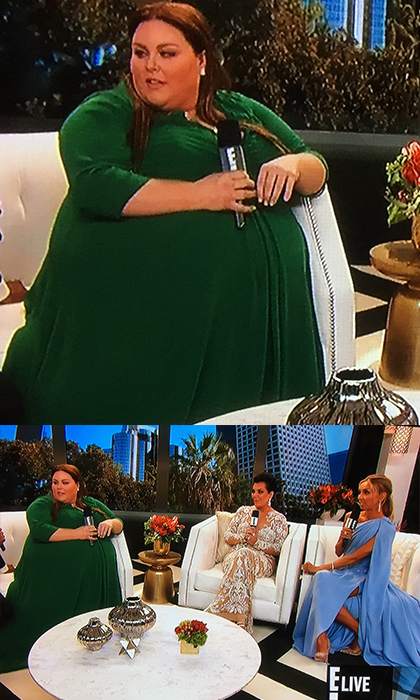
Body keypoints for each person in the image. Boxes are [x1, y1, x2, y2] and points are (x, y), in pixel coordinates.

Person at [2, 2, 327, 424]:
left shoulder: (239, 109)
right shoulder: (107, 111)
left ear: (202, 60)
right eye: (140, 53)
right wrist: (202, 194)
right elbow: (97, 184)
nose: (150, 67)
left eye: (166, 53)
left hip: (258, 303)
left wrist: (293, 166)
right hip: (137, 300)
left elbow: (314, 164)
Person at [0, 465, 123, 673]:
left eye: (64, 483)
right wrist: (79, 533)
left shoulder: (91, 504)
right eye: (55, 483)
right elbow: (40, 530)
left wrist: (110, 523)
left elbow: (119, 522)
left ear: (77, 485)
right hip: (49, 575)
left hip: (95, 576)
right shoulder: (43, 504)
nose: (58, 488)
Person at [293, 474, 420, 666]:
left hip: (363, 576)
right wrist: (343, 539)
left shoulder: (386, 527)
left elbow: (356, 557)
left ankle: (323, 639)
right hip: (343, 572)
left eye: (366, 492)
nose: (360, 497)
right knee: (323, 582)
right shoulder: (351, 517)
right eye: (360, 492)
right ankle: (338, 634)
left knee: (322, 579)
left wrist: (320, 567)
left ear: (381, 496)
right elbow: (340, 552)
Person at [206, 472, 288, 633]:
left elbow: (278, 548)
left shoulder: (279, 519)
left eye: (260, 492)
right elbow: (228, 537)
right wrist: (245, 537)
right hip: (235, 555)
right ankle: (240, 619)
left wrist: (256, 542)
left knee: (244, 555)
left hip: (263, 560)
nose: (255, 496)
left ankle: (220, 611)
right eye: (253, 491)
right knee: (242, 555)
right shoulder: (243, 511)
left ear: (270, 494)